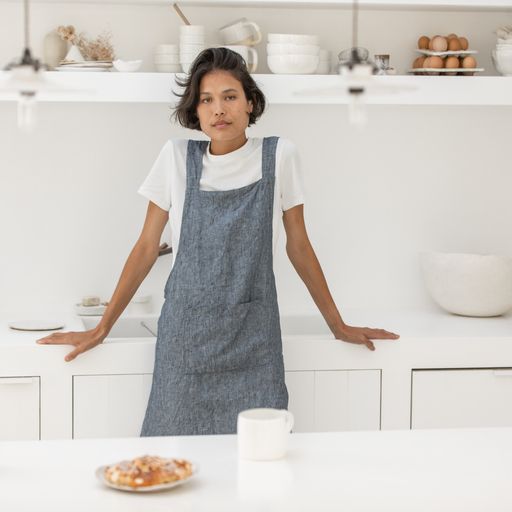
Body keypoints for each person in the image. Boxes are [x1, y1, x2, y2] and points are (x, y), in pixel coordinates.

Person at [36, 48, 399, 436]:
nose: (218, 109)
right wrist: (102, 327)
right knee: (171, 464)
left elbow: (299, 247)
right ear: (195, 111)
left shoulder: (279, 157)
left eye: (229, 96)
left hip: (254, 344)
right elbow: (145, 248)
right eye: (206, 100)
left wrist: (337, 324)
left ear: (250, 103)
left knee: (263, 462)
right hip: (185, 348)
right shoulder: (175, 157)